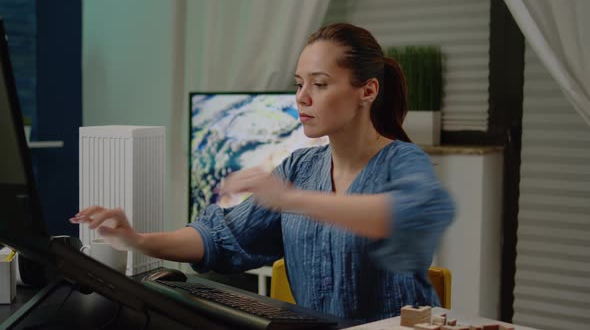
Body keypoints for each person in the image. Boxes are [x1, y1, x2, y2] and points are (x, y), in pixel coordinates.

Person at [72, 23, 454, 322]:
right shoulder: (300, 168)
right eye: (299, 84)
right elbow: (221, 238)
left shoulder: (404, 161)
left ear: (367, 91)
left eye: (319, 84)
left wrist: (292, 200)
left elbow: (404, 216)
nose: (301, 98)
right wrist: (136, 239)